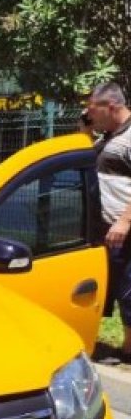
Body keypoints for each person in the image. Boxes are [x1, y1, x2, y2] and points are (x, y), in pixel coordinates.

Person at [89, 82, 131, 359]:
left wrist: (125, 221)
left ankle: (129, 352)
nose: (90, 115)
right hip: (108, 229)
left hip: (125, 229)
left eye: (94, 110)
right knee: (111, 287)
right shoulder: (107, 136)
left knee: (129, 291)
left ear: (112, 107)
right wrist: (86, 126)